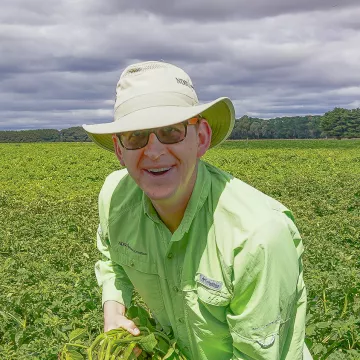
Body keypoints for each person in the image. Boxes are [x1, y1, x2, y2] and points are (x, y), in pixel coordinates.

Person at [82, 61, 313, 360]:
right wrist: (113, 310)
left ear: (201, 138)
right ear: (119, 150)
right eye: (136, 136)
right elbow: (111, 257)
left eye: (170, 131)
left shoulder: (257, 236)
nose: (153, 151)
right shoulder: (114, 196)